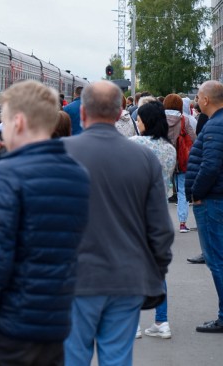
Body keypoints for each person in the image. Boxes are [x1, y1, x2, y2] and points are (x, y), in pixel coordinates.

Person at [0, 80, 90, 365]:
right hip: (54, 323)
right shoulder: (77, 174)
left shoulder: (7, 175)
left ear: (17, 122)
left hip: (7, 326)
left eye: (3, 119)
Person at [62, 81, 173, 366]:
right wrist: (156, 271)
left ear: (82, 112)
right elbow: (160, 229)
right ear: (120, 112)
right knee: (117, 357)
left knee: (72, 356)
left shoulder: (58, 154)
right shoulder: (144, 158)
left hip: (73, 278)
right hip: (127, 277)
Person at [129, 101, 177, 339]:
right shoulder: (170, 149)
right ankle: (162, 321)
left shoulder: (135, 144)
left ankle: (134, 325)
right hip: (160, 213)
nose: (136, 123)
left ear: (145, 122)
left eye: (138, 119)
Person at [186, 80, 223, 334]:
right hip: (216, 198)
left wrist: (196, 193)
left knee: (216, 259)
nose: (197, 100)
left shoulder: (214, 127)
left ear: (206, 100)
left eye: (198, 96)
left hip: (211, 200)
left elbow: (209, 165)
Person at [164, 93, 197, 232]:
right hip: (182, 159)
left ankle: (162, 223)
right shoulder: (185, 120)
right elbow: (194, 139)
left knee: (162, 190)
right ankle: (182, 223)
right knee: (183, 191)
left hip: (164, 158)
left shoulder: (159, 118)